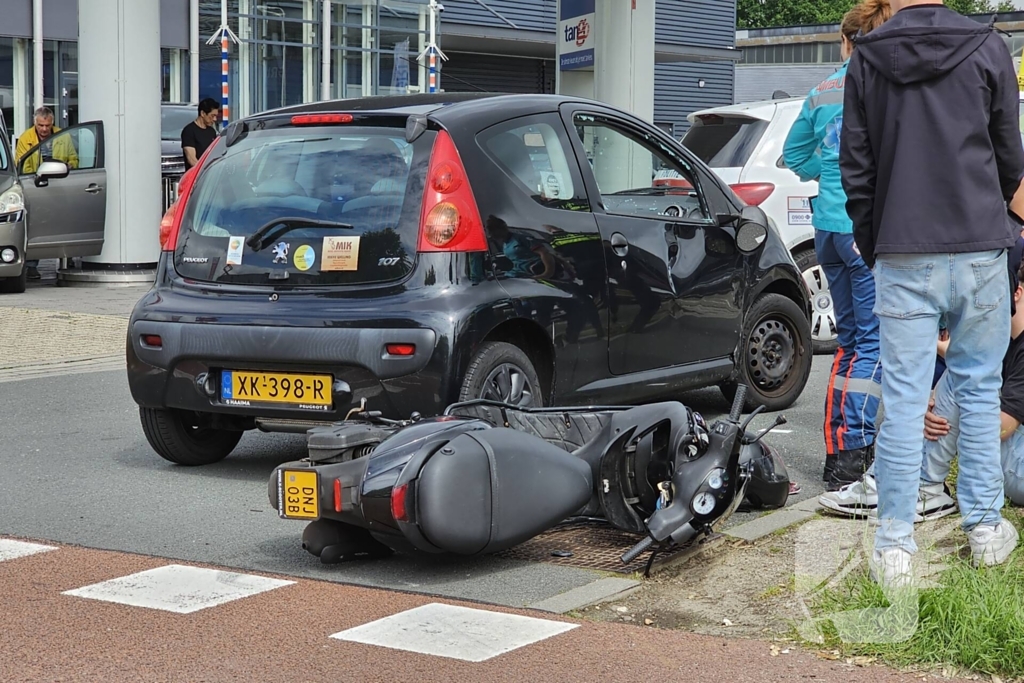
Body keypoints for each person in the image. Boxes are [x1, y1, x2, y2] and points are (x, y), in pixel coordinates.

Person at [839, 0, 1024, 585]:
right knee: (978, 388)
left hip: (902, 249)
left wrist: (876, 246)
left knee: (902, 396)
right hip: (979, 246)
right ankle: (986, 529)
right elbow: (1010, 157)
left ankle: (895, 547)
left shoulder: (866, 57)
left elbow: (857, 170)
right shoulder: (988, 46)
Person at [821, 237, 1024, 522]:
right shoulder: (999, 341)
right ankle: (910, 485)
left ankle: (919, 487)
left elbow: (1003, 427)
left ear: (1015, 293)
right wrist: (931, 407)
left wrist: (951, 416)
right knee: (950, 382)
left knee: (958, 379)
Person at [782, 0, 892, 492]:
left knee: (850, 344)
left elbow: (792, 154)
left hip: (827, 228)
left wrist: (824, 173)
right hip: (864, 228)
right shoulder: (884, 85)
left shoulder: (821, 90)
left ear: (845, 41)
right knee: (873, 344)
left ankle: (840, 452)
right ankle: (854, 453)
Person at [15, 106, 79, 280]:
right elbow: (22, 165)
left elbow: (73, 158)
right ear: (35, 123)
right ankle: (31, 265)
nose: (44, 129)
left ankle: (68, 259)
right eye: (41, 125)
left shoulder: (63, 136)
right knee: (36, 224)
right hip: (38, 185)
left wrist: (70, 165)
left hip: (61, 186)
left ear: (52, 124)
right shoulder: (25, 139)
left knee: (65, 222)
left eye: (47, 125)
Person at [181, 98, 220, 171]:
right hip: (196, 175)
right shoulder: (189, 131)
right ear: (202, 113)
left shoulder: (212, 132)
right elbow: (192, 159)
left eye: (216, 116)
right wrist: (204, 172)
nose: (215, 119)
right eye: (212, 116)